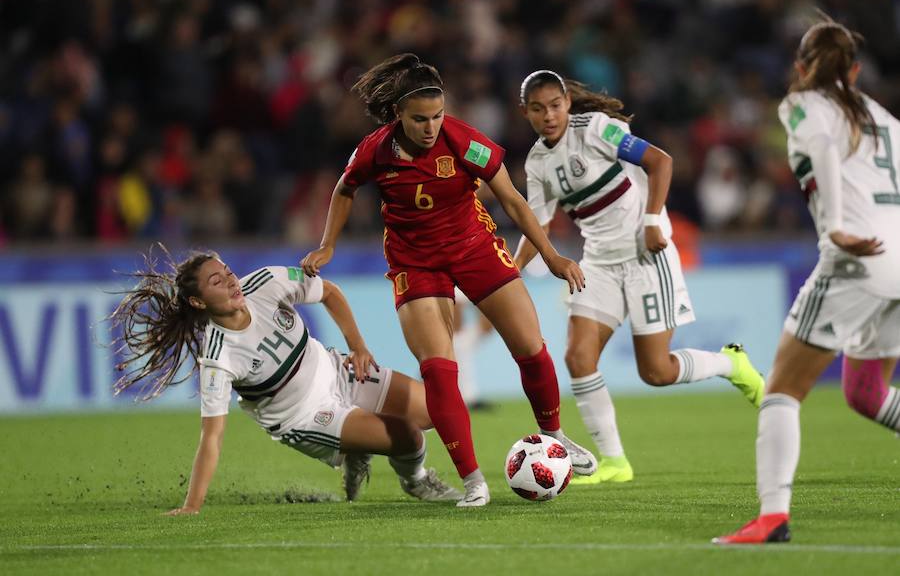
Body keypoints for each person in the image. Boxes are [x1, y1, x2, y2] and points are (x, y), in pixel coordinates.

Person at [300, 53, 596, 507]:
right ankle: (474, 480)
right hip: (414, 263)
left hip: (475, 248)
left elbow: (514, 201)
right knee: (439, 370)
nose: (431, 127)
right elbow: (344, 189)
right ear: (399, 115)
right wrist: (328, 244)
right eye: (420, 119)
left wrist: (552, 255)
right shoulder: (374, 150)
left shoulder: (463, 140)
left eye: (438, 116)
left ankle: (554, 434)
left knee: (532, 349)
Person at [514, 70, 766, 485]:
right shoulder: (539, 161)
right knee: (578, 358)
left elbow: (660, 161)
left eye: (555, 105)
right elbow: (536, 225)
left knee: (657, 372)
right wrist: (508, 273)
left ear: (568, 104)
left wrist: (652, 220)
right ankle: (614, 462)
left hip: (646, 254)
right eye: (538, 109)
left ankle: (731, 363)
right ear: (525, 112)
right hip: (598, 261)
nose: (549, 116)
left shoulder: (596, 129)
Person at [715, 20, 900, 544]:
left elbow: (820, 149)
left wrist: (837, 225)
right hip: (899, 255)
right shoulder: (886, 118)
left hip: (856, 257)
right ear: (856, 72)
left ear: (801, 68)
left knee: (782, 390)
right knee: (866, 392)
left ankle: (772, 517)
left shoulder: (803, 104)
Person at [110, 246, 463, 515]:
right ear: (197, 302)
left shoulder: (265, 282)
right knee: (409, 437)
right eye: (217, 282)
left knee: (435, 410)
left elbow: (329, 292)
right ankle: (416, 481)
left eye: (228, 272)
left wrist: (357, 347)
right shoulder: (218, 356)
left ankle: (357, 446)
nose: (231, 281)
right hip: (305, 415)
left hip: (337, 370)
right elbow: (212, 436)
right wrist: (192, 505)